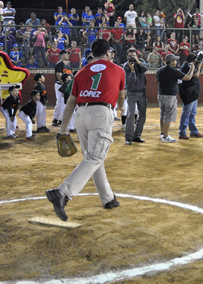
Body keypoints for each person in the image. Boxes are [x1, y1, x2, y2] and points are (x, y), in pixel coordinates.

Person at [46, 39, 126, 222]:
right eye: (111, 52)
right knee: (95, 157)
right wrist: (121, 108)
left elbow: (70, 102)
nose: (112, 55)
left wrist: (64, 129)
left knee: (93, 157)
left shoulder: (81, 72)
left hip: (80, 114)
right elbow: (121, 95)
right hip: (100, 113)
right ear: (107, 53)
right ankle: (62, 192)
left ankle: (108, 198)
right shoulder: (118, 70)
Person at [156, 53, 195, 143]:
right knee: (168, 115)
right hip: (170, 96)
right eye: (175, 60)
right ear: (171, 62)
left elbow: (157, 81)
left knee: (163, 113)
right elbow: (188, 77)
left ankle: (162, 133)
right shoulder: (174, 71)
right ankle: (165, 137)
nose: (176, 62)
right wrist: (192, 68)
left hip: (161, 94)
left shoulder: (160, 70)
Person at [123, 47, 149, 145]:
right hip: (131, 92)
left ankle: (137, 136)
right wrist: (133, 70)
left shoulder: (140, 62)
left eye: (133, 56)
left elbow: (145, 68)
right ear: (127, 57)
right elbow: (130, 81)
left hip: (142, 92)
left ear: (137, 56)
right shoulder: (126, 66)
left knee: (142, 114)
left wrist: (138, 62)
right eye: (130, 56)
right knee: (130, 114)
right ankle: (128, 138)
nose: (132, 58)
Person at [178, 53, 203, 140]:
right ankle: (182, 132)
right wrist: (198, 67)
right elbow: (195, 75)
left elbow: (196, 75)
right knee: (186, 113)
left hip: (193, 93)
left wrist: (198, 68)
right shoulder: (186, 67)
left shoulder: (187, 66)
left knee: (192, 113)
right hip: (188, 93)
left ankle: (194, 131)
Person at [52, 50, 72, 127]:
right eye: (66, 54)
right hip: (60, 86)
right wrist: (64, 87)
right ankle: (55, 119)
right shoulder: (59, 64)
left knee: (64, 103)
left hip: (67, 85)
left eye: (68, 54)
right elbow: (59, 76)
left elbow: (71, 76)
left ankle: (61, 119)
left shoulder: (68, 64)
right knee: (59, 102)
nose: (68, 55)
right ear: (61, 55)